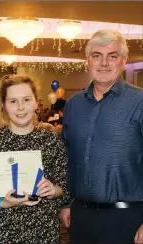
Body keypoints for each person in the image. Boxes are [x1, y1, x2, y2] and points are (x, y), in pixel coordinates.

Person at [60, 29, 143, 244]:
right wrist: (67, 203)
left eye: (112, 56)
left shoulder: (140, 102)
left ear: (123, 61)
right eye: (97, 56)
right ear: (88, 60)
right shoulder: (73, 105)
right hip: (81, 217)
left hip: (128, 219)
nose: (104, 63)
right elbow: (66, 158)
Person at [0, 75, 70, 243]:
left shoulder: (51, 140)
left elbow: (65, 187)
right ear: (3, 106)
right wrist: (4, 202)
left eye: (26, 100)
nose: (21, 107)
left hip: (42, 233)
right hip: (1, 233)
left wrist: (54, 190)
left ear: (36, 103)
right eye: (13, 101)